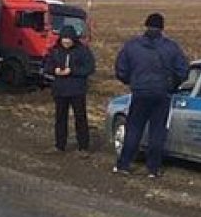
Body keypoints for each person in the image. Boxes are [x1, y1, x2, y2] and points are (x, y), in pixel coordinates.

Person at [113, 12, 189, 179]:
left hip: (140, 93)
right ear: (162, 28)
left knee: (133, 129)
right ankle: (153, 169)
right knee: (157, 132)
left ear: (146, 26)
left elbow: (121, 69)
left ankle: (124, 165)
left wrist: (131, 81)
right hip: (162, 94)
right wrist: (173, 85)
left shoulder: (132, 46)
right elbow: (183, 70)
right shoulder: (171, 47)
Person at [43, 25, 95, 154]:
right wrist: (54, 70)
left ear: (74, 39)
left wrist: (72, 71)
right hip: (60, 90)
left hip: (77, 90)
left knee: (80, 118)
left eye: (69, 39)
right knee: (60, 119)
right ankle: (59, 145)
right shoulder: (55, 51)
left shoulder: (83, 51)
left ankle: (83, 147)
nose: (66, 42)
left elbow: (89, 68)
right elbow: (47, 66)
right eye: (64, 39)